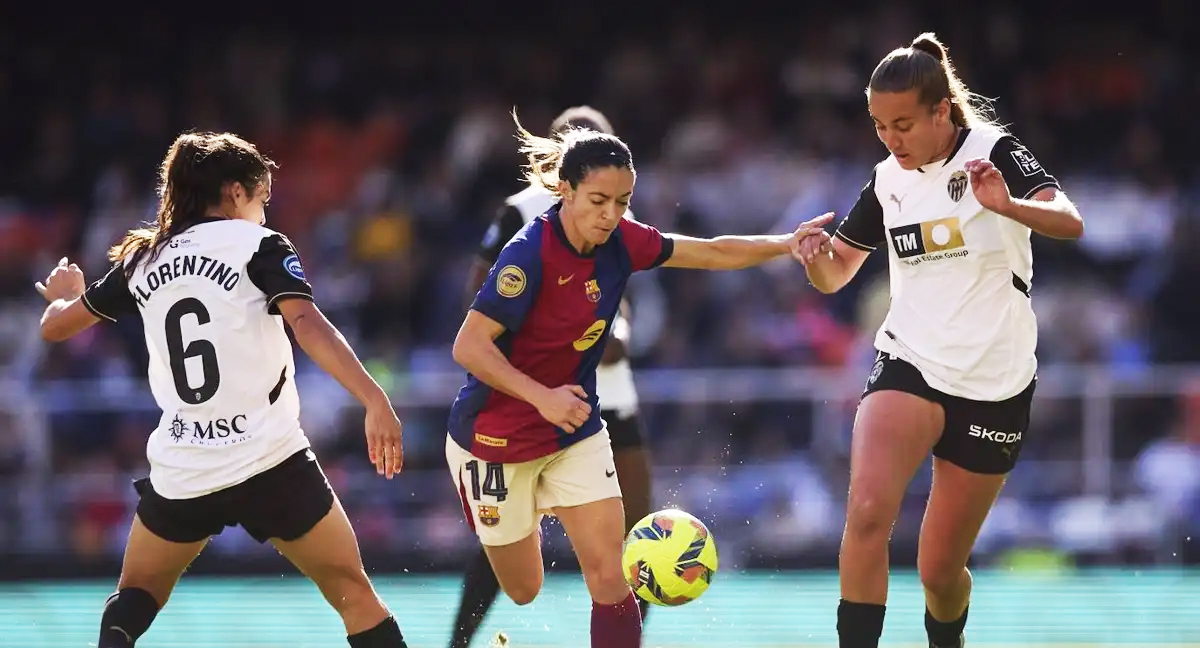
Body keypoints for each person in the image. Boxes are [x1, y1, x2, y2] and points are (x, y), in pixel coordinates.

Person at [447, 113, 830, 648]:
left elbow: (712, 250)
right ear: (565, 190)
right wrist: (542, 397)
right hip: (494, 435)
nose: (611, 214)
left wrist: (785, 243)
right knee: (523, 590)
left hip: (573, 428)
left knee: (610, 576)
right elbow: (468, 346)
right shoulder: (528, 253)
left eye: (622, 202)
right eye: (598, 201)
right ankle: (525, 502)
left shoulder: (623, 242)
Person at [36, 131, 411, 648]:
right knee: (351, 592)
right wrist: (373, 396)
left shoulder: (144, 261)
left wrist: (68, 296)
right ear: (236, 193)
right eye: (262, 200)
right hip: (270, 460)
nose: (263, 212)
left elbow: (55, 328)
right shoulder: (259, 246)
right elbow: (306, 324)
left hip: (187, 466)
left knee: (136, 597)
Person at [792, 33, 1084, 648]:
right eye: (878, 126)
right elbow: (838, 269)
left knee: (939, 572)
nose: (890, 139)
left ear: (941, 112)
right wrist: (816, 260)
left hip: (995, 383)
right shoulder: (887, 180)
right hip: (910, 360)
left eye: (902, 124)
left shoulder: (993, 152)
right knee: (868, 514)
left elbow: (1071, 222)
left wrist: (1008, 206)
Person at [449, 106, 655, 648]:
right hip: (531, 396)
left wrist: (618, 333)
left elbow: (613, 294)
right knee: (507, 548)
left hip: (606, 390)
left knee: (633, 535)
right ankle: (459, 640)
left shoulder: (613, 212)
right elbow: (479, 299)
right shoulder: (521, 215)